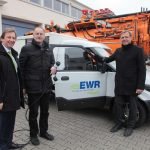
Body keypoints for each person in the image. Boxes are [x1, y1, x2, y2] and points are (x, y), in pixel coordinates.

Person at [104, 30, 146, 137]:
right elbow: (108, 59)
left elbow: (142, 69)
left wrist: (140, 86)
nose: (124, 39)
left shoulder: (138, 50)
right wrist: (95, 57)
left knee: (133, 107)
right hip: (119, 84)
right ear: (120, 39)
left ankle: (130, 126)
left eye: (126, 37)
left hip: (132, 85)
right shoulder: (118, 51)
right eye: (122, 37)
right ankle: (118, 123)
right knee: (118, 106)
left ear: (131, 38)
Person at [19, 26, 56, 145]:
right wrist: (23, 87)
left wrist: (54, 68)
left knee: (45, 112)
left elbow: (53, 64)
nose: (39, 36)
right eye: (37, 34)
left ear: (44, 35)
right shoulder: (26, 48)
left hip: (46, 86)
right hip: (33, 87)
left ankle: (43, 132)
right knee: (34, 113)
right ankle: (33, 135)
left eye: (41, 34)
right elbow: (21, 68)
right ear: (33, 35)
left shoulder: (49, 49)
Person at [0, 28, 24, 150]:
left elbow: (16, 74)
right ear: (2, 39)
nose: (11, 40)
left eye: (13, 38)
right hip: (3, 98)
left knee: (10, 123)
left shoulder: (13, 54)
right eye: (8, 37)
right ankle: (2, 146)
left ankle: (8, 143)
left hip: (13, 96)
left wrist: (22, 89)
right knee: (2, 125)